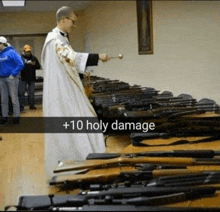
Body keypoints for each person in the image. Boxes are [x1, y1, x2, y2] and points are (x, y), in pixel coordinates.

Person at [41, 6, 110, 179]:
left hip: (64, 89)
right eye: (73, 21)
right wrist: (97, 57)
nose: (74, 25)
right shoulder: (55, 41)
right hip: (63, 94)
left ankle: (85, 159)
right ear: (63, 19)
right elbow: (70, 58)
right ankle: (76, 163)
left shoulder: (58, 39)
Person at [0, 36, 24, 125]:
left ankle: (16, 117)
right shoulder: (0, 54)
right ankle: (4, 117)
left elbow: (20, 64)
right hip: (2, 79)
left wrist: (13, 74)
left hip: (11, 78)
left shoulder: (11, 52)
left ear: (2, 44)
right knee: (3, 99)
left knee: (14, 99)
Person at [19, 45, 41, 112]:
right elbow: (19, 67)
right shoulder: (20, 58)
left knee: (31, 93)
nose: (28, 53)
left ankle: (32, 105)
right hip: (23, 78)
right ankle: (21, 107)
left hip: (31, 78)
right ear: (24, 51)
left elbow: (38, 66)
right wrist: (26, 64)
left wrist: (33, 64)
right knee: (21, 93)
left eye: (29, 51)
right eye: (26, 52)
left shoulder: (33, 58)